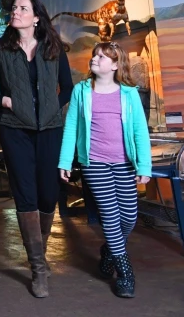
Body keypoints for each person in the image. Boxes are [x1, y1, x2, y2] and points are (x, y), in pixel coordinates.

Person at [0, 0, 73, 298]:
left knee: (48, 194)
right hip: (14, 130)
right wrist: (5, 100)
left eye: (22, 8)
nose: (15, 12)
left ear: (36, 17)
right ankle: (38, 268)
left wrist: (53, 109)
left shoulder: (53, 49)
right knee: (25, 193)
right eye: (14, 8)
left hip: (50, 130)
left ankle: (40, 255)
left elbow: (67, 86)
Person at [58, 41, 151, 298]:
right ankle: (125, 273)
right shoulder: (81, 91)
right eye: (95, 55)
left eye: (102, 56)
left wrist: (144, 165)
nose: (95, 59)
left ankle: (109, 252)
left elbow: (139, 131)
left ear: (115, 65)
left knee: (129, 218)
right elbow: (71, 128)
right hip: (95, 164)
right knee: (110, 217)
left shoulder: (129, 93)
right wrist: (65, 161)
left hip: (123, 163)